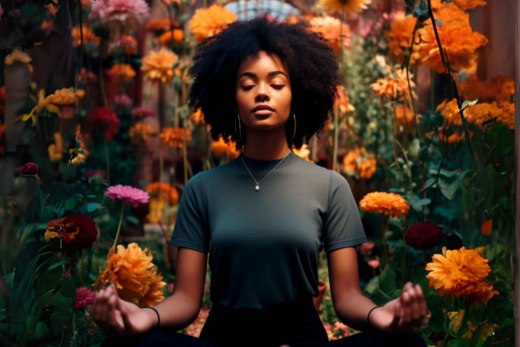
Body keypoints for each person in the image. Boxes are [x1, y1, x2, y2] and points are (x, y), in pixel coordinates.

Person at [91, 18, 430, 347]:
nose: (262, 93)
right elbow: (185, 299)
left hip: (299, 339)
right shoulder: (202, 188)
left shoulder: (330, 186)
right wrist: (142, 318)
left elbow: (348, 298)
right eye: (248, 84)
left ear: (297, 94)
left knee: (406, 344)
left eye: (277, 84)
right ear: (231, 100)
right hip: (225, 339)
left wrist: (383, 317)